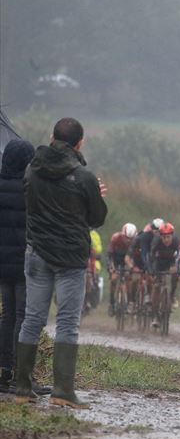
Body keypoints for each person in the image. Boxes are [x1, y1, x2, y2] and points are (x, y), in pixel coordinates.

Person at [16, 117, 107, 408]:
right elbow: (96, 219)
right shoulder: (84, 178)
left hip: (37, 253)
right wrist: (97, 196)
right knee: (67, 322)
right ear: (79, 143)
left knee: (32, 318)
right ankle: (63, 391)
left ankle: (21, 386)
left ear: (52, 137)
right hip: (70, 259)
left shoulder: (32, 171)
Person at [0, 139, 45, 394]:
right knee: (23, 316)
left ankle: (4, 371)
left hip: (2, 264)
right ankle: (22, 375)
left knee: (7, 316)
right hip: (25, 261)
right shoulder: (29, 188)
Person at [148, 222, 180, 327]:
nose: (166, 240)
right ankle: (155, 315)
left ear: (172, 236)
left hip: (171, 261)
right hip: (159, 262)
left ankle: (172, 296)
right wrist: (152, 270)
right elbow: (151, 257)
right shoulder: (156, 241)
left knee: (175, 274)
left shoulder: (176, 241)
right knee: (157, 286)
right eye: (164, 237)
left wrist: (178, 268)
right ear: (160, 236)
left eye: (168, 237)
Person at [106, 222, 137, 316]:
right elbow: (109, 255)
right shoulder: (115, 238)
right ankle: (111, 303)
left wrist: (131, 268)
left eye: (131, 239)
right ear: (122, 235)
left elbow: (134, 258)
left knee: (129, 279)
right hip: (115, 259)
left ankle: (129, 301)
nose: (128, 241)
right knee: (114, 279)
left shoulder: (136, 242)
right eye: (126, 238)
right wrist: (112, 268)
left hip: (126, 260)